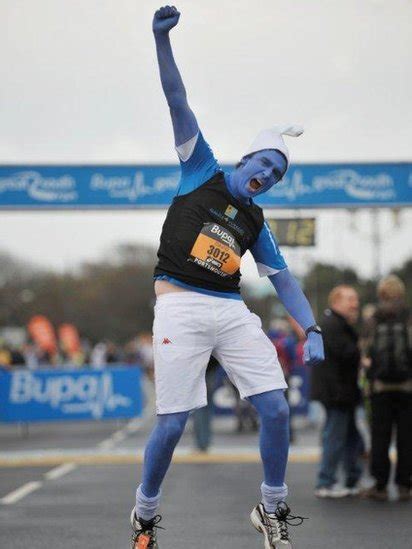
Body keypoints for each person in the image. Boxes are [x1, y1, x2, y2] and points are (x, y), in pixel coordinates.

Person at [130, 7, 324, 549]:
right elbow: (176, 99)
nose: (268, 176)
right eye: (265, 164)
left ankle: (272, 507)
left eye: (278, 175)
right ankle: (144, 515)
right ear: (247, 158)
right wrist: (160, 41)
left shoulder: (257, 221)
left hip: (231, 312)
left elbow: (282, 279)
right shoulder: (202, 168)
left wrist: (310, 328)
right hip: (179, 307)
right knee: (172, 425)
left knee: (276, 409)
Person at [361, 275, 412, 501]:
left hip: (380, 387)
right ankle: (404, 485)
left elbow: (365, 353)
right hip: (407, 387)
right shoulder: (409, 316)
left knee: (380, 436)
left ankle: (380, 485)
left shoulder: (373, 319)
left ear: (381, 294)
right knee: (407, 436)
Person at [311, 285, 364, 498]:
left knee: (352, 438)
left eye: (356, 299)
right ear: (336, 302)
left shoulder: (335, 323)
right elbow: (346, 355)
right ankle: (325, 482)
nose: (355, 304)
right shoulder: (333, 325)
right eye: (350, 299)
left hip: (342, 392)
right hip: (337, 393)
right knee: (335, 437)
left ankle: (352, 479)